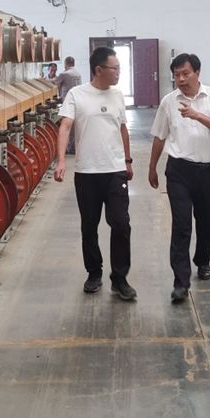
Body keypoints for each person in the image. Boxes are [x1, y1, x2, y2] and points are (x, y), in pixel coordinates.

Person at [54, 47, 136, 301]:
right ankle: (94, 272)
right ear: (99, 70)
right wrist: (61, 161)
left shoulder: (117, 95)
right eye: (115, 68)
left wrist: (128, 161)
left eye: (119, 68)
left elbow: (122, 129)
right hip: (87, 172)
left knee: (121, 224)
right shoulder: (77, 95)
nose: (119, 72)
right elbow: (65, 126)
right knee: (89, 226)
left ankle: (120, 278)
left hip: (115, 171)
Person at [148, 54, 210, 303]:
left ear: (197, 72)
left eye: (186, 73)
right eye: (177, 75)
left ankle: (203, 261)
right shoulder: (168, 102)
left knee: (205, 220)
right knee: (181, 225)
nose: (181, 79)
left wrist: (197, 115)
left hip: (208, 171)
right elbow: (159, 136)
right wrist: (152, 168)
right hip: (179, 172)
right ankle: (180, 282)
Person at [53, 56, 83, 154]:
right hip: (78, 101)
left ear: (66, 63)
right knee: (75, 125)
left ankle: (70, 149)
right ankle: (75, 147)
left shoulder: (65, 74)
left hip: (68, 102)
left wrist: (42, 80)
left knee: (67, 126)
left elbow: (54, 82)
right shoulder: (78, 73)